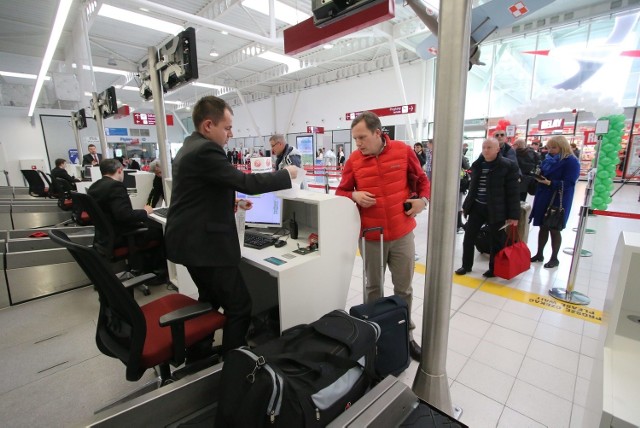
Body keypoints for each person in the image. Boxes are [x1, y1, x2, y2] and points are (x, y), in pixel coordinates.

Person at [164, 95, 297, 356]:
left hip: (187, 241)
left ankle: (199, 352)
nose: (231, 134)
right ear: (208, 126)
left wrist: (233, 206)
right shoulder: (206, 150)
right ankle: (232, 366)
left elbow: (202, 193)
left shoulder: (189, 146)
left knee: (210, 299)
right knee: (239, 306)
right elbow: (245, 183)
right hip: (205, 246)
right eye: (226, 128)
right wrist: (285, 175)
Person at [335, 111, 431, 361]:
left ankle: (405, 337)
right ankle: (373, 337)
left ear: (378, 133)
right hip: (370, 235)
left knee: (404, 289)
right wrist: (353, 196)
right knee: (373, 288)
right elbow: (340, 192)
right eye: (355, 139)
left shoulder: (403, 151)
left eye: (362, 137)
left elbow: (422, 181)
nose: (358, 144)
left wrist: (423, 200)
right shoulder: (354, 160)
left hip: (401, 234)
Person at [87, 159, 165, 278]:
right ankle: (157, 272)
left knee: (151, 225)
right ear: (120, 170)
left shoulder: (94, 186)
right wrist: (145, 212)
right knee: (161, 231)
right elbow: (124, 215)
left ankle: (145, 269)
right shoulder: (115, 186)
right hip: (122, 236)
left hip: (105, 237)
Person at [455, 138, 520, 278]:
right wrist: (467, 207)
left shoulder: (508, 166)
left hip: (497, 209)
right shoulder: (477, 164)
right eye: (484, 147)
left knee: (495, 240)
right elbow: (473, 188)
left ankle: (494, 268)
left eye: (489, 147)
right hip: (477, 207)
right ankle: (466, 265)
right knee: (469, 237)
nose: (485, 150)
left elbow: (513, 192)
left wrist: (514, 215)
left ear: (497, 149)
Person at [529, 135, 580, 269]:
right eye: (549, 147)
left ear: (562, 147)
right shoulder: (548, 159)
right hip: (543, 196)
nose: (550, 150)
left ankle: (554, 258)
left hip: (558, 198)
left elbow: (569, 183)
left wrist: (550, 182)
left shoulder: (571, 161)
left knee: (554, 228)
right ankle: (539, 254)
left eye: (554, 147)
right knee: (542, 226)